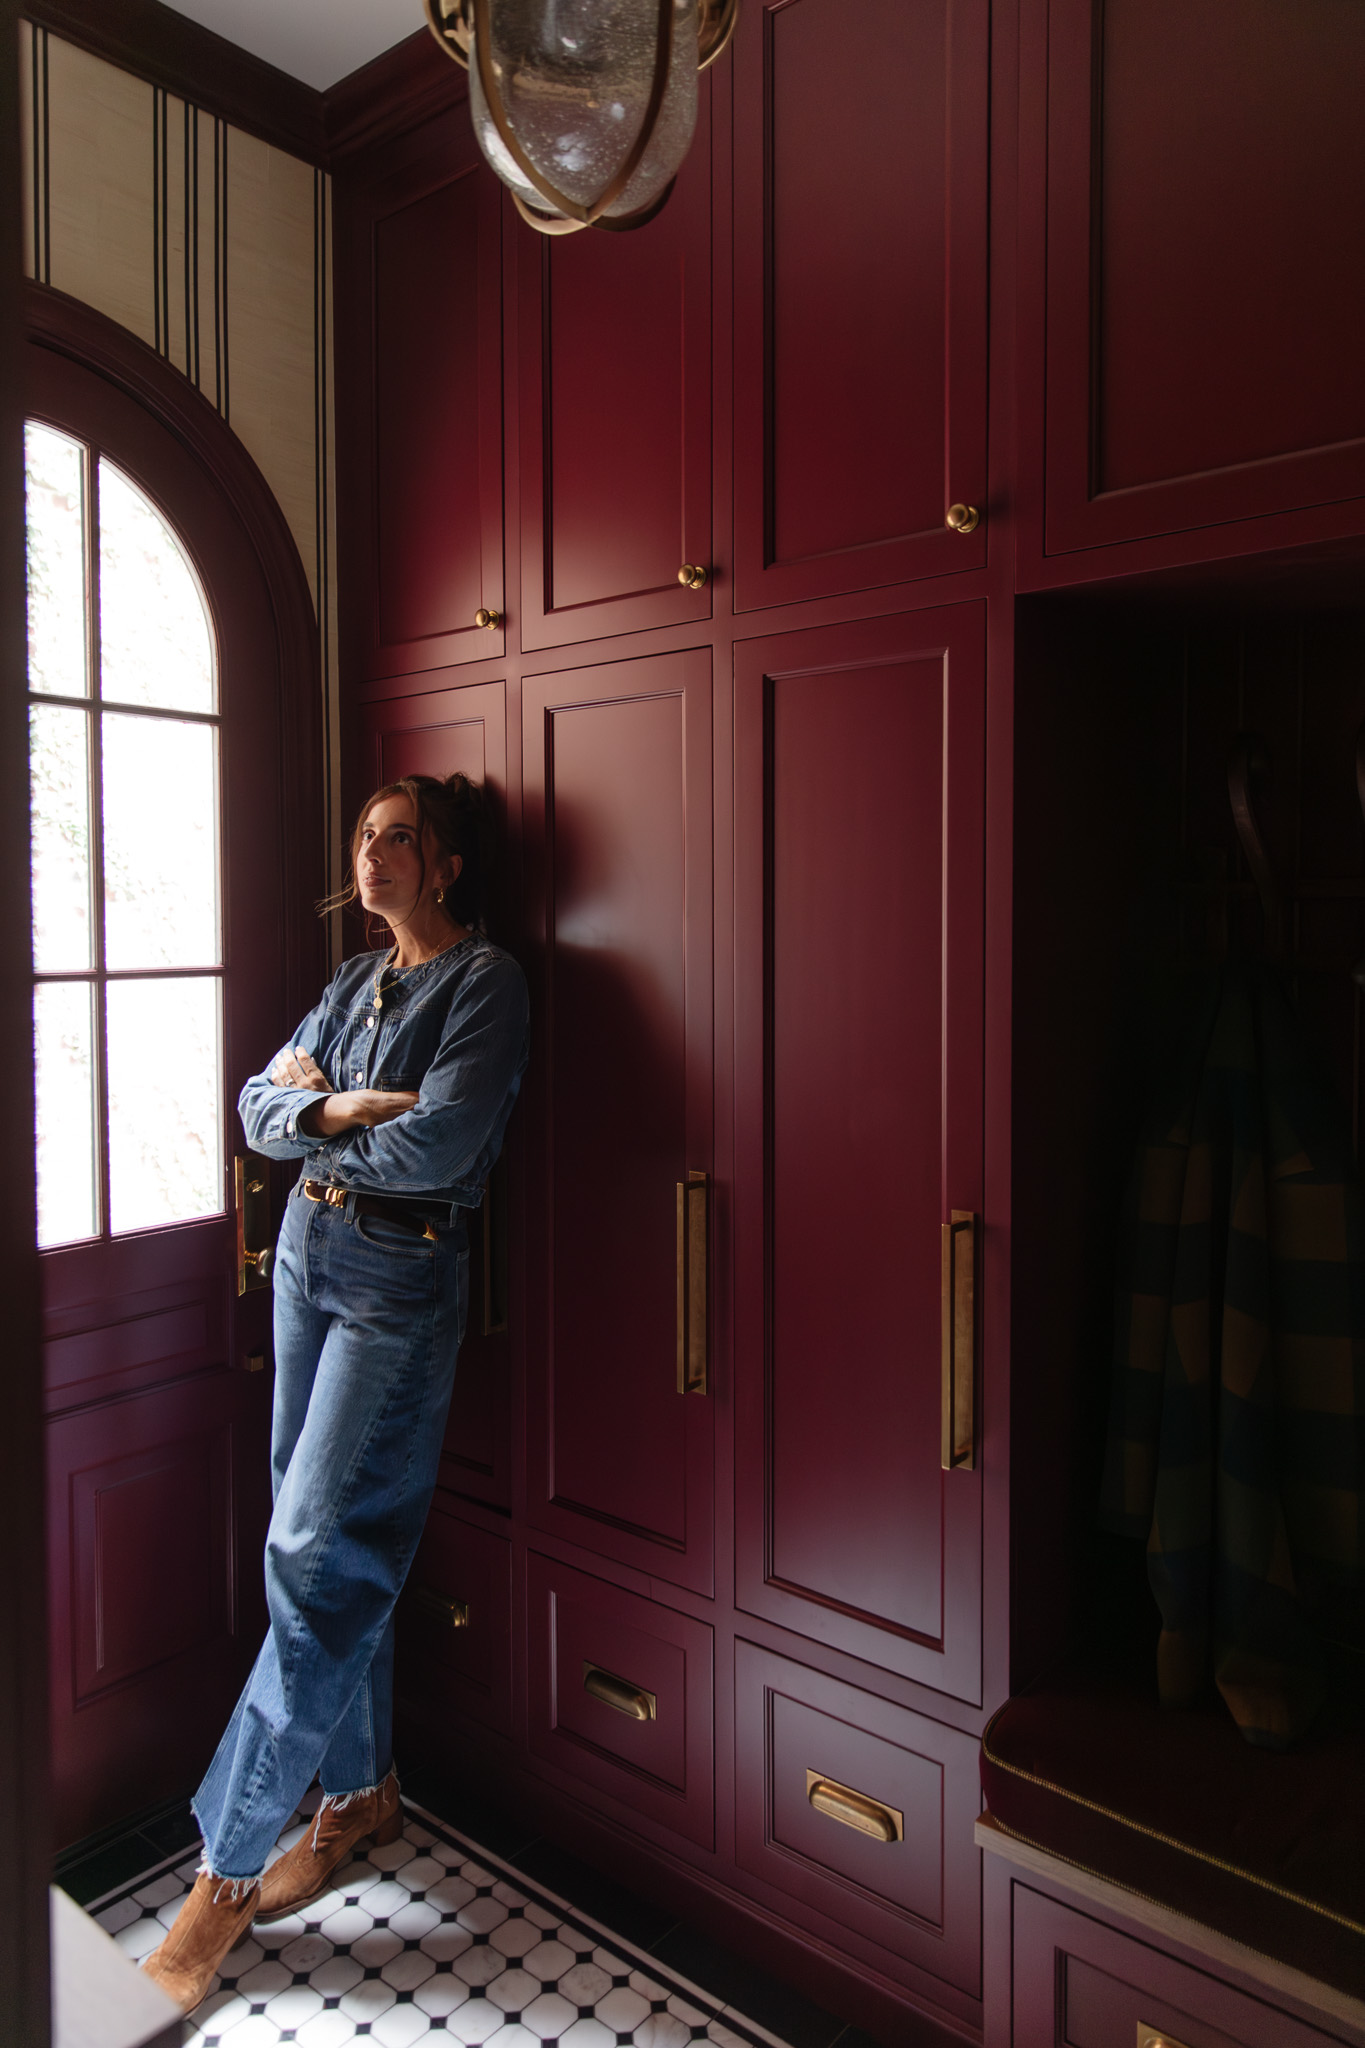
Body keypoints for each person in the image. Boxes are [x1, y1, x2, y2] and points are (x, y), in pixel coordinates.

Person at [142, 772, 529, 2014]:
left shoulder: (486, 985)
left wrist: (320, 1118)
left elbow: (444, 1143)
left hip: (396, 1277)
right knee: (299, 1542)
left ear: (446, 862)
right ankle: (358, 1793)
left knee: (321, 1552)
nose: (373, 857)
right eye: (365, 838)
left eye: (399, 838)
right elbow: (259, 1112)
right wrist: (337, 1105)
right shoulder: (351, 983)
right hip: (306, 1260)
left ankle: (225, 1869)